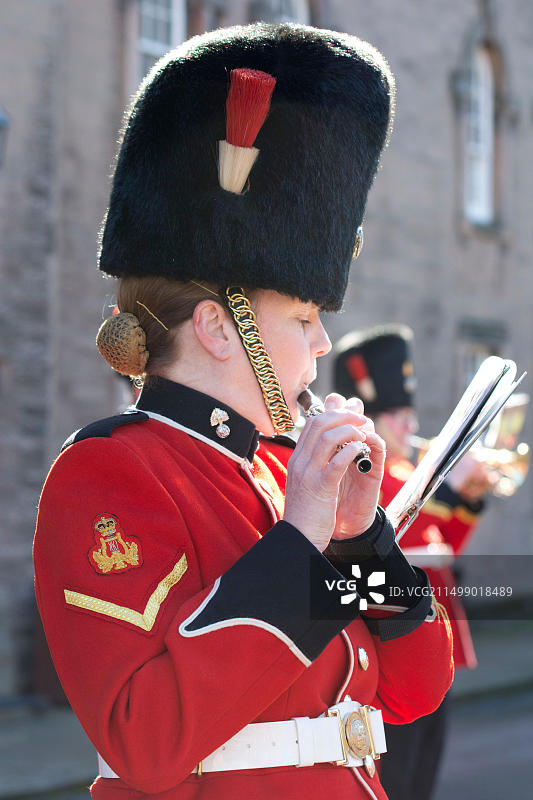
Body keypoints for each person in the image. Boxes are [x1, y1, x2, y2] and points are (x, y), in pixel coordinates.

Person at [33, 24, 453, 800]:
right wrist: (298, 540)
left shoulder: (272, 468)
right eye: (300, 318)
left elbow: (415, 687)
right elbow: (144, 740)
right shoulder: (111, 469)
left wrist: (361, 539)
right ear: (219, 328)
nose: (322, 340)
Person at [334, 324, 492, 800]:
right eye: (396, 415)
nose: (408, 425)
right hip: (390, 651)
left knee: (422, 779)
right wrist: (426, 554)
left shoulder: (405, 474)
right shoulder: (361, 476)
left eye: (407, 413)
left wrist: (469, 502)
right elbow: (365, 562)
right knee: (397, 781)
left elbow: (445, 551)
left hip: (430, 642)